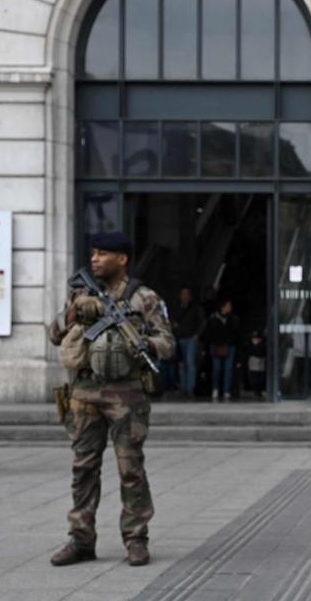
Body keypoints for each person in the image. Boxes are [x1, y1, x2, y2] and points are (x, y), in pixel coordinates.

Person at [47, 232, 174, 567]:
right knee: (82, 469)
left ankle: (136, 538)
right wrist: (74, 313)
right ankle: (80, 539)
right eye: (93, 253)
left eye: (103, 254)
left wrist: (146, 344)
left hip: (127, 395)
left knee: (130, 469)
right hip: (85, 393)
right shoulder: (80, 292)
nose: (95, 259)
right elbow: (53, 332)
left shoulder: (143, 298)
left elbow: (167, 342)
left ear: (123, 259)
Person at [201, 297, 240, 401]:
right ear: (222, 307)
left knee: (228, 370)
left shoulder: (233, 319)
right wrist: (209, 345)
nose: (229, 308)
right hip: (216, 346)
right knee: (216, 369)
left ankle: (226, 391)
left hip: (229, 346)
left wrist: (230, 342)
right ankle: (215, 389)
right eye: (228, 306)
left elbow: (236, 333)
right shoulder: (213, 318)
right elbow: (208, 333)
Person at [173, 286, 204, 399]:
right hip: (180, 337)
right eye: (183, 294)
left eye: (186, 294)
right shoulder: (177, 308)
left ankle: (190, 388)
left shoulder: (195, 308)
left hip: (191, 337)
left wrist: (197, 334)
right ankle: (183, 387)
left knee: (190, 363)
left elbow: (202, 321)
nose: (184, 296)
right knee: (182, 364)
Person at [246, 330, 267, 399]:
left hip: (260, 363)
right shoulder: (249, 345)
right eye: (253, 339)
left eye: (257, 339)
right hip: (253, 363)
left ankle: (259, 391)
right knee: (253, 378)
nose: (255, 340)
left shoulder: (263, 345)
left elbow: (263, 353)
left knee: (260, 378)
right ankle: (255, 391)